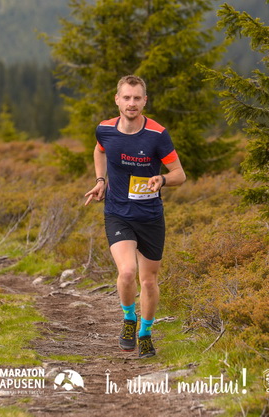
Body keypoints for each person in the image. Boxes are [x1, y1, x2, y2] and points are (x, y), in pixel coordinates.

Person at [84, 75, 186, 358]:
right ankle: (129, 319)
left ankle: (145, 333)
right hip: (118, 212)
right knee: (127, 271)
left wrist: (162, 180)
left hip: (150, 215)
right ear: (117, 99)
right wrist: (100, 180)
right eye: (127, 97)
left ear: (144, 101)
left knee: (149, 281)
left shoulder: (157, 135)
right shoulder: (105, 129)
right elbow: (99, 150)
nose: (131, 103)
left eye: (137, 98)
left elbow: (180, 174)